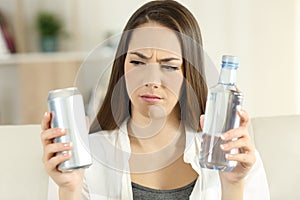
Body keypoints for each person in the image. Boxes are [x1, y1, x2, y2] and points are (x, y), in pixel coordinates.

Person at [40, 0, 270, 199]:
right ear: (122, 68)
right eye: (138, 63)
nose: (151, 80)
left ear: (188, 74)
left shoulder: (231, 156)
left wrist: (233, 185)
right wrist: (69, 190)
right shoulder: (85, 158)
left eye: (169, 66)